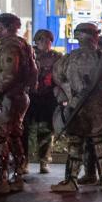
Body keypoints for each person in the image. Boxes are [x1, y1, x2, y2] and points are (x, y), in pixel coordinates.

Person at [51, 23, 102, 193]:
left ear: (78, 36)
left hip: (78, 109)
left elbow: (58, 78)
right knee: (101, 144)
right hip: (100, 109)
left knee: (75, 146)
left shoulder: (69, 59)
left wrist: (71, 96)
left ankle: (71, 181)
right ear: (94, 37)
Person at [0, 13, 37, 194]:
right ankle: (16, 177)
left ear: (5, 28)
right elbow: (34, 72)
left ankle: (0, 181)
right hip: (18, 97)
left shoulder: (9, 47)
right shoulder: (24, 46)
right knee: (13, 136)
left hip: (6, 99)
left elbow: (8, 74)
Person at [25, 29, 62, 174]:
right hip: (31, 97)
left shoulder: (57, 57)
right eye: (42, 40)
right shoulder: (29, 56)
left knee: (46, 130)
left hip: (48, 98)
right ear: (36, 41)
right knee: (26, 131)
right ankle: (24, 162)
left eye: (48, 40)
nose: (46, 43)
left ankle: (44, 161)